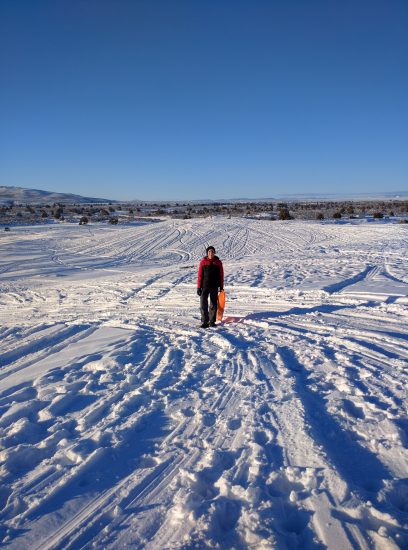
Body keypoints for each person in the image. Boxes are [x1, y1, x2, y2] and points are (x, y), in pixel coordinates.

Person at [197, 246, 224, 328]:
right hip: (204, 286)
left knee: (213, 304)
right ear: (207, 253)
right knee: (203, 304)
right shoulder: (203, 262)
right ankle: (205, 321)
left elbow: (221, 275)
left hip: (214, 286)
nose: (210, 253)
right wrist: (199, 287)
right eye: (209, 252)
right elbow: (200, 275)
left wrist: (221, 286)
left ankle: (212, 321)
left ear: (214, 253)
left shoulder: (218, 262)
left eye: (212, 251)